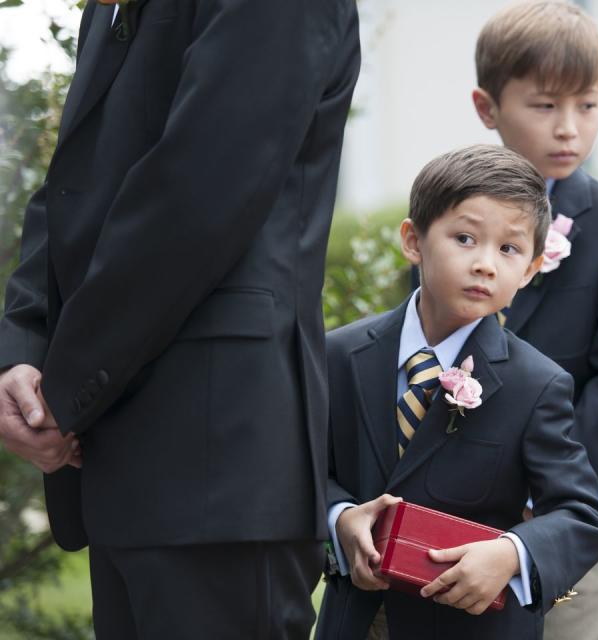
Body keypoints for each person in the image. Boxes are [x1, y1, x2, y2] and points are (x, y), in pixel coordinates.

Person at [0, 1, 360, 637]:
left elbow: (197, 195)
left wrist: (66, 385)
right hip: (118, 456)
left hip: (218, 460)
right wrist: (23, 345)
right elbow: (74, 182)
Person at [315, 144, 598, 640]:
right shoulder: (339, 356)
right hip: (357, 622)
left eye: (509, 249)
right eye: (466, 238)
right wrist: (339, 517)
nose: (485, 264)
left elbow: (582, 516)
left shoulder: (535, 384)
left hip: (472, 626)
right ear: (413, 240)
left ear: (532, 269)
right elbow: (300, 470)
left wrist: (510, 554)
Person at [469, 3, 598, 638]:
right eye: (544, 106)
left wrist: (544, 495)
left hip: (592, 523)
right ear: (487, 108)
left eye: (587, 106)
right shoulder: (459, 215)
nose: (569, 129)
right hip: (478, 525)